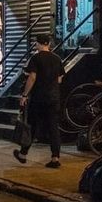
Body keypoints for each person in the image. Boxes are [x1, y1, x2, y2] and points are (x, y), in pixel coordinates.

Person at [13, 33, 65, 169]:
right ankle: (55, 158)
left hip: (38, 98)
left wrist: (24, 95)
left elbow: (32, 77)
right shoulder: (57, 59)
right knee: (53, 128)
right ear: (49, 43)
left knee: (31, 126)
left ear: (39, 43)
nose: (36, 45)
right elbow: (60, 79)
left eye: (36, 43)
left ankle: (23, 154)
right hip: (54, 98)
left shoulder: (35, 58)